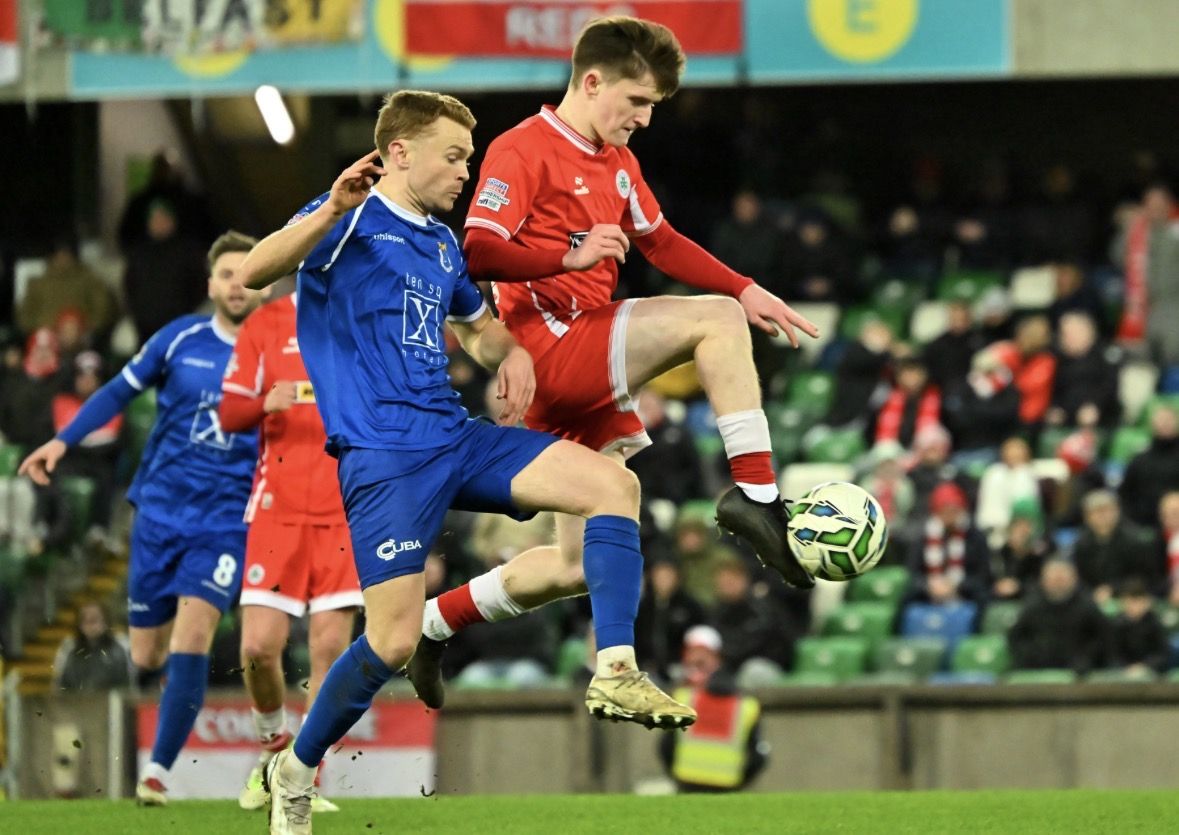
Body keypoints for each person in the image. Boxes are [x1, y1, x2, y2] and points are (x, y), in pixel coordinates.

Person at [234, 90, 699, 833]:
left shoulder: (443, 243)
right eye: (452, 156)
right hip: (384, 459)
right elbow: (257, 270)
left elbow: (480, 329)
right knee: (387, 639)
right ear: (397, 153)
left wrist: (508, 355)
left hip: (455, 436)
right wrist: (326, 210)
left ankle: (614, 666)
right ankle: (293, 769)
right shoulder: (346, 213)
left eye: (469, 158)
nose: (464, 172)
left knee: (613, 484)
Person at [411, 18, 821, 712]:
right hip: (548, 344)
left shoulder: (618, 165)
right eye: (634, 101)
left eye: (653, 106)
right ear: (591, 81)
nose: (644, 118)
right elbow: (477, 250)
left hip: (580, 372)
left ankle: (437, 621)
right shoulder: (522, 148)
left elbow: (660, 242)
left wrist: (745, 285)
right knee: (711, 319)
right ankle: (755, 501)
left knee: (577, 560)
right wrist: (566, 253)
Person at [18, 231, 264, 806]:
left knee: (195, 633)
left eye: (246, 274)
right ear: (211, 284)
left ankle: (157, 772)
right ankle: (157, 723)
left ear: (264, 282)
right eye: (226, 274)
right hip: (158, 513)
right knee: (149, 653)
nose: (236, 284)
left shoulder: (278, 351)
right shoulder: (179, 339)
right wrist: (62, 441)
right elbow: (115, 393)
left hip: (226, 521)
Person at [218, 278, 363, 814]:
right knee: (257, 647)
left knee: (329, 649)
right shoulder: (267, 322)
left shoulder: (363, 315)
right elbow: (228, 414)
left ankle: (305, 777)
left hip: (345, 509)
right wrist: (264, 402)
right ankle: (273, 751)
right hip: (277, 512)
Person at [657, 625, 768, 793]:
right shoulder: (745, 705)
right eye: (691, 653)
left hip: (688, 786)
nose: (695, 660)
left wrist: (677, 775)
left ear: (717, 659)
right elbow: (758, 756)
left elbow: (665, 748)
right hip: (727, 789)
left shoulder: (682, 699)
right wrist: (739, 782)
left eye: (702, 655)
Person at [1008, 559, 1109, 675]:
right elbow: (1017, 637)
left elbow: (1101, 638)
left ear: (1074, 579)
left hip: (1079, 672)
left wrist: (1087, 659)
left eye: (1061, 579)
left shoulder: (1088, 606)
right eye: (1053, 580)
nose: (1057, 584)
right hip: (1038, 669)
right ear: (1043, 580)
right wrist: (1030, 656)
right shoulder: (1032, 606)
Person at [906, 481, 991, 606]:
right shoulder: (923, 536)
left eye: (954, 511)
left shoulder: (975, 537)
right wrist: (929, 585)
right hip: (929, 591)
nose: (949, 516)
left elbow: (983, 574)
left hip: (965, 592)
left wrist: (956, 585)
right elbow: (912, 573)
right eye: (944, 511)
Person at [1071, 489, 1162, 604]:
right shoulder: (1081, 544)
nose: (1102, 516)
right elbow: (1079, 577)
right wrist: (1093, 593)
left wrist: (1113, 589)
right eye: (1096, 512)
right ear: (1087, 517)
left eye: (1106, 510)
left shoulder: (1135, 540)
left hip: (1131, 597)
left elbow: (1145, 576)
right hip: (1093, 599)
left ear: (1117, 511)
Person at [1119, 404, 1179, 527]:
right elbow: (1125, 495)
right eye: (1161, 420)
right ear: (1152, 424)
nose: (1165, 424)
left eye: (1169, 420)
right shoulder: (1139, 460)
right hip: (1145, 525)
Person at [52, 599, 132, 691]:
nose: (90, 625)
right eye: (85, 620)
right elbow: (61, 685)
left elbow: (127, 684)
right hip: (77, 703)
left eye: (94, 620)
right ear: (79, 624)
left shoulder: (120, 647)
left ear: (105, 621)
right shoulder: (69, 648)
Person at [1109, 578, 1169, 676]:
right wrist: (1126, 668)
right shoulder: (1117, 624)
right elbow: (1113, 654)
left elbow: (1162, 653)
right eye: (1128, 602)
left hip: (1152, 672)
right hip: (1123, 672)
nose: (1132, 607)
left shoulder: (1155, 623)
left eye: (1136, 602)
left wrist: (1144, 667)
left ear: (1146, 602)